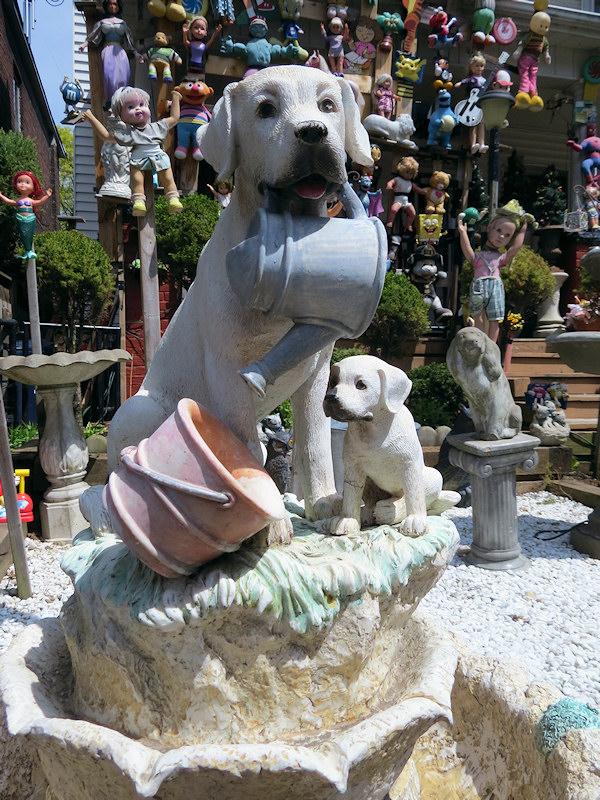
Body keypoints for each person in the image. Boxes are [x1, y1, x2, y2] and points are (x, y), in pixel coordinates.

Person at [83, 86, 182, 217]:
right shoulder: (128, 133)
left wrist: (176, 98)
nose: (138, 109)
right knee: (137, 180)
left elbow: (174, 118)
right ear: (121, 116)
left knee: (168, 178)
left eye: (141, 105)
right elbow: (106, 136)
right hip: (138, 159)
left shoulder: (157, 127)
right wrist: (91, 118)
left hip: (158, 156)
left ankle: (173, 199)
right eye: (130, 107)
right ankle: (138, 202)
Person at [457, 203, 529, 343]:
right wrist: (463, 232)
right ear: (490, 228)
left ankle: (491, 346)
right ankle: (479, 342)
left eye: (507, 235)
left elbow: (515, 248)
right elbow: (467, 250)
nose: (501, 237)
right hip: (478, 286)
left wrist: (523, 229)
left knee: (495, 319)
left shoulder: (501, 258)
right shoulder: (478, 257)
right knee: (477, 316)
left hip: (495, 287)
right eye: (499, 230)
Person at [78, 0, 139, 108]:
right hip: (108, 50)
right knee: (109, 76)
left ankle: (121, 100)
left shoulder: (122, 23)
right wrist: (84, 44)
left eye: (115, 4)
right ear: (106, 6)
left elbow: (128, 42)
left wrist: (136, 54)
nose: (112, 6)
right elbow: (93, 36)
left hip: (120, 51)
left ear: (118, 6)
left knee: (123, 76)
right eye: (110, 4)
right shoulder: (102, 22)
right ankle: (110, 101)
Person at [0, 172, 52, 259]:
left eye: (27, 182)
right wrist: (1, 196)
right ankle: (26, 250)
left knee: (29, 234)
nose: (23, 184)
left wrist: (47, 195)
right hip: (20, 218)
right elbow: (8, 201)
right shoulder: (18, 200)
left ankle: (29, 250)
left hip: (30, 218)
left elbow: (40, 202)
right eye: (19, 181)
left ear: (33, 187)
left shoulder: (30, 201)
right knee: (23, 234)